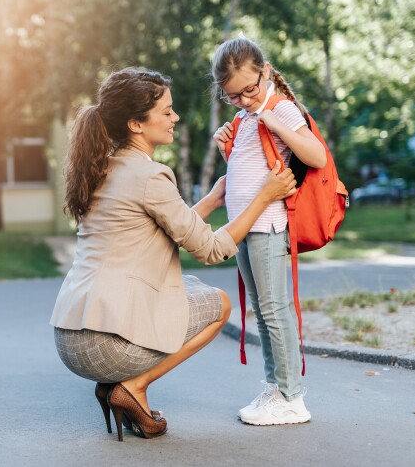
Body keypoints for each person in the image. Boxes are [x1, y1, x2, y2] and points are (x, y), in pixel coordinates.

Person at [50, 67, 297, 441]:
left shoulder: (102, 167)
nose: (175, 117)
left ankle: (122, 388)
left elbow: (175, 229)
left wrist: (214, 198)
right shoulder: (150, 176)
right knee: (220, 304)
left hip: (71, 336)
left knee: (188, 285)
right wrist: (265, 196)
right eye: (166, 112)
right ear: (136, 123)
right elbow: (212, 249)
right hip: (106, 344)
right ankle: (133, 387)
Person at [212, 37, 327, 426]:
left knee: (276, 310)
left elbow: (316, 156)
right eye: (233, 96)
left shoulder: (281, 108)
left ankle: (292, 397)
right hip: (246, 226)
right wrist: (227, 148)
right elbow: (252, 168)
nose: (244, 99)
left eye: (249, 89)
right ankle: (275, 388)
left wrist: (274, 119)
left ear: (264, 72)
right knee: (263, 312)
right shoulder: (245, 116)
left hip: (269, 224)